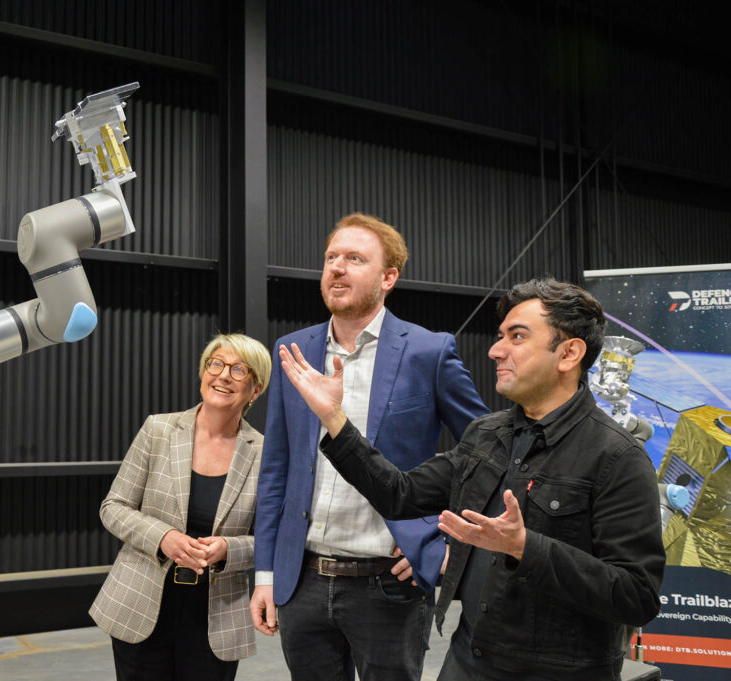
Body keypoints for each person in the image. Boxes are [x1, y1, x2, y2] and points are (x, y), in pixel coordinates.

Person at [278, 277, 665, 680]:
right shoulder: (487, 435)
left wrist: (525, 547)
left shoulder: (617, 456)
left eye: (517, 337)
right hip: (468, 660)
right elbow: (399, 495)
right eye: (500, 336)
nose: (496, 350)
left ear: (569, 353)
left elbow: (635, 595)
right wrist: (335, 420)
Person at [251, 213, 489, 681]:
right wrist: (265, 573)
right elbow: (277, 468)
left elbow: (489, 453)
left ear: (388, 277)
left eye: (354, 259)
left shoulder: (428, 351)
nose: (336, 268)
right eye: (331, 258)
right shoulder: (293, 352)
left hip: (389, 582)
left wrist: (445, 542)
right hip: (303, 580)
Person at [91, 333, 272, 681]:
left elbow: (270, 537)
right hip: (140, 604)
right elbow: (113, 506)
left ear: (256, 389)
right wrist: (164, 537)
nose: (222, 375)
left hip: (214, 617)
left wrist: (228, 549)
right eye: (215, 363)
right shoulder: (158, 429)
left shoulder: (265, 454)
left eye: (238, 370)